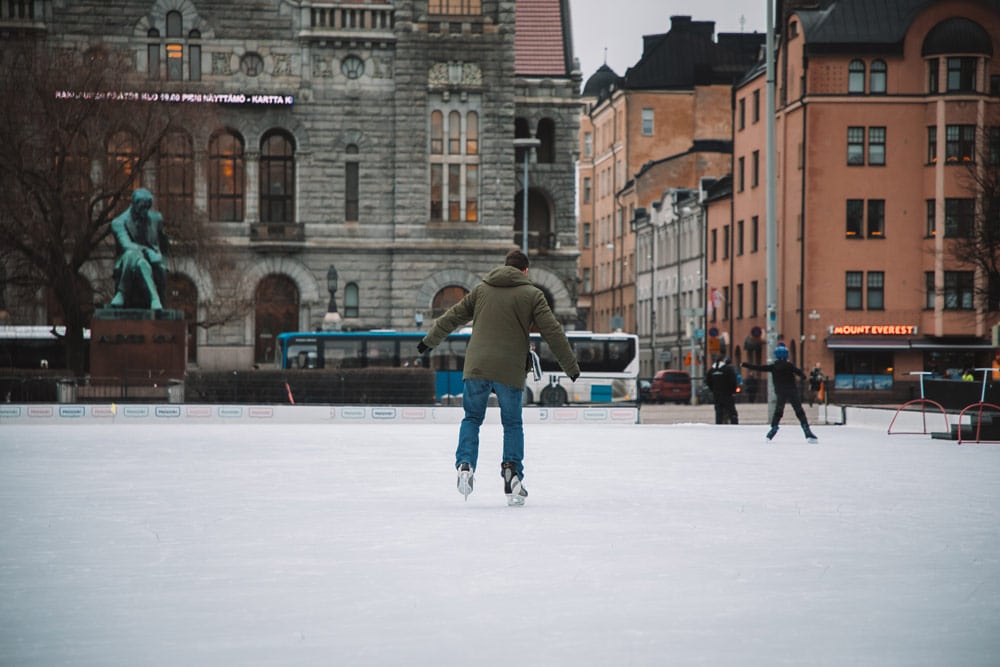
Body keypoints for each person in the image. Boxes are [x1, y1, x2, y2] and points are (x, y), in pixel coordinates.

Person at [418, 249, 580, 506]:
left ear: (504, 266)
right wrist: (571, 367)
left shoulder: (482, 290)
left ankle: (465, 465)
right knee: (512, 424)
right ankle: (512, 472)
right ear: (525, 271)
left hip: (477, 367)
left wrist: (428, 342)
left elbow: (452, 317)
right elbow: (553, 332)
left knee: (472, 418)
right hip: (510, 369)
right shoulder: (533, 295)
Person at [742, 344, 818, 442]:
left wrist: (745, 364)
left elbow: (759, 368)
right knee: (799, 410)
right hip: (792, 391)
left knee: (779, 410)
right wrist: (803, 377)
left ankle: (773, 428)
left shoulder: (774, 367)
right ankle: (806, 430)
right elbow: (800, 373)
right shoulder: (790, 366)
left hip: (780, 391)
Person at [109, 188, 167, 310]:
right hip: (127, 260)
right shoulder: (119, 222)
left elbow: (163, 243)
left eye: (148, 207)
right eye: (142, 208)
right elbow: (126, 245)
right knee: (133, 255)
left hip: (152, 260)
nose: (145, 211)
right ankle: (154, 298)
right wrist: (146, 251)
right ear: (134, 205)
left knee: (139, 261)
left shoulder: (157, 219)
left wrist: (161, 258)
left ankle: (121, 293)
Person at [705, 356, 739, 424]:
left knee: (718, 412)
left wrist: (713, 390)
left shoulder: (711, 370)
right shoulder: (728, 369)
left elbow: (708, 382)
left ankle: (719, 424)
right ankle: (734, 425)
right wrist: (733, 391)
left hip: (716, 395)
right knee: (732, 411)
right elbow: (733, 381)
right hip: (727, 394)